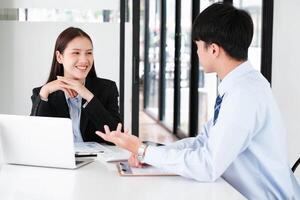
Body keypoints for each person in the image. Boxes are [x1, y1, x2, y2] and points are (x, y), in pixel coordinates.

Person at [95, 3, 300, 199]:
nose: (196, 53)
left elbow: (207, 165)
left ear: (213, 49)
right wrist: (150, 154)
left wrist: (142, 150)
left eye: (197, 46)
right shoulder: (238, 85)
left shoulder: (244, 95)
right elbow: (202, 143)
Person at [31, 27, 121, 144]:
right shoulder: (43, 93)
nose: (84, 60)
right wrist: (45, 91)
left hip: (96, 161)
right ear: (59, 57)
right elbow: (35, 138)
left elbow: (117, 137)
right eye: (76, 53)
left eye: (89, 53)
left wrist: (88, 96)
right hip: (58, 160)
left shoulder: (107, 89)